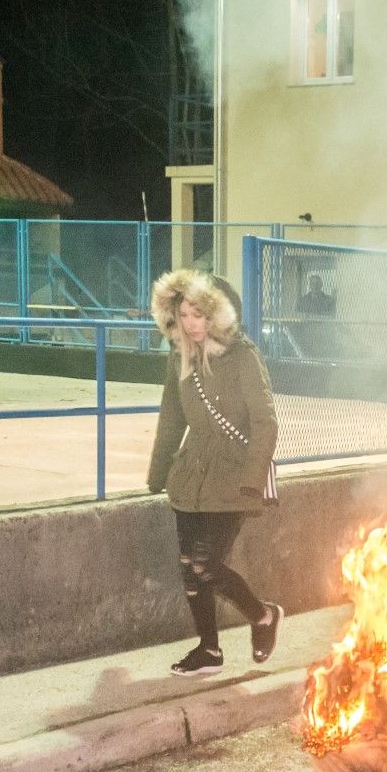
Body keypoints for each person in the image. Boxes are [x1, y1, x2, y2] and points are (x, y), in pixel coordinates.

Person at [146, 269, 283, 678]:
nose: (191, 324)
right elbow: (172, 416)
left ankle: (263, 617)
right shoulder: (179, 357)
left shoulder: (242, 357)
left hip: (234, 473)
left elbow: (265, 422)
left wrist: (251, 480)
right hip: (192, 475)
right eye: (183, 315)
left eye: (198, 315)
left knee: (207, 562)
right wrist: (159, 469)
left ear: (215, 315)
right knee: (190, 564)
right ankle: (209, 650)